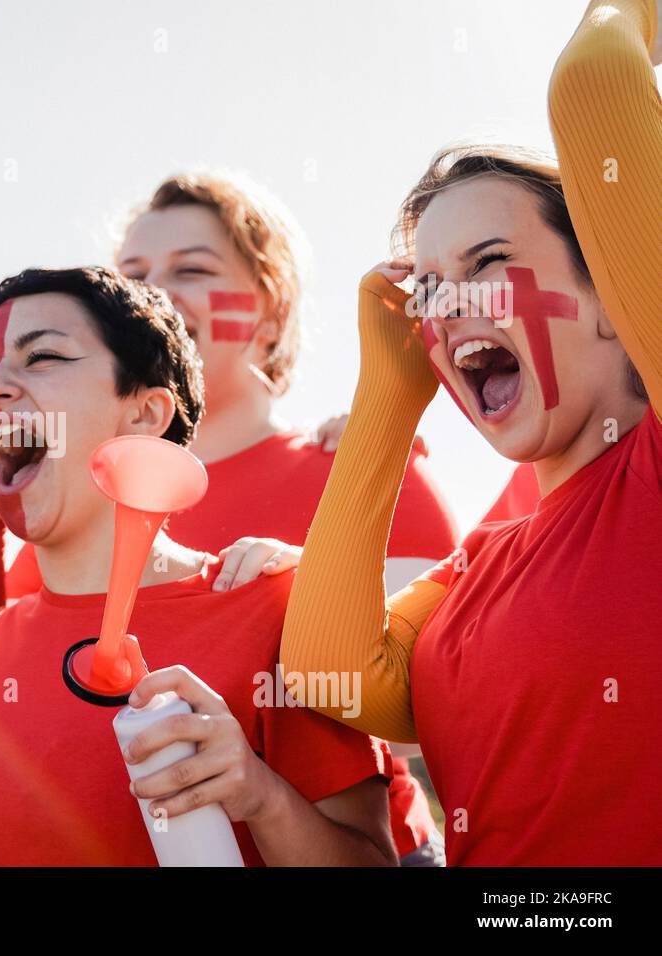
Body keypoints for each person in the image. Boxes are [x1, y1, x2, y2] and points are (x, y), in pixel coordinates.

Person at [0, 172, 453, 862]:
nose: (159, 292)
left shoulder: (346, 471)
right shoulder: (40, 544)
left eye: (193, 269)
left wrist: (319, 605)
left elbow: (425, 718)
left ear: (271, 310)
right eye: (136, 272)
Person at [280, 0, 662, 865]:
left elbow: (595, 84)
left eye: (488, 264)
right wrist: (388, 388)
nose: (448, 308)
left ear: (611, 301)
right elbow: (326, 671)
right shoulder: (475, 567)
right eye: (429, 292)